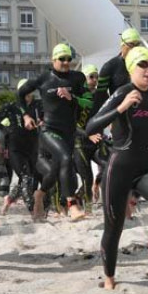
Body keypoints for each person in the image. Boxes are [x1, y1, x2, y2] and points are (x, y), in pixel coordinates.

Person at [85, 47, 148, 290]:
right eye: (142, 66)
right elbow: (90, 126)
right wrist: (121, 107)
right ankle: (109, 277)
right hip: (119, 169)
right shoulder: (122, 93)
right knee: (114, 228)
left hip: (147, 166)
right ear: (130, 69)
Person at [17, 43, 87, 221]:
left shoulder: (78, 78)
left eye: (68, 59)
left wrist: (74, 98)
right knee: (65, 159)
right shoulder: (43, 78)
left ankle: (39, 194)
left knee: (57, 170)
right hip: (49, 130)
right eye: (61, 59)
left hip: (69, 131)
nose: (65, 62)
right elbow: (20, 93)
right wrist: (25, 115)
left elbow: (89, 102)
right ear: (53, 59)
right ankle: (71, 205)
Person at [0, 82, 43, 216]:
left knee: (28, 179)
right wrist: (7, 131)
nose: (27, 95)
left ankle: (9, 199)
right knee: (26, 177)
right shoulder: (11, 106)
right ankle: (32, 211)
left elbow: (47, 115)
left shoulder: (38, 105)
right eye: (24, 93)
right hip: (15, 148)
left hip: (33, 146)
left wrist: (43, 121)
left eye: (29, 92)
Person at [73, 64, 108, 211]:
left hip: (97, 142)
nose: (94, 80)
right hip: (80, 143)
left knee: (110, 166)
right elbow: (72, 124)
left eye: (96, 77)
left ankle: (96, 184)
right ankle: (86, 207)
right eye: (91, 77)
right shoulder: (78, 96)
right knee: (86, 177)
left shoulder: (103, 95)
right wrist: (88, 134)